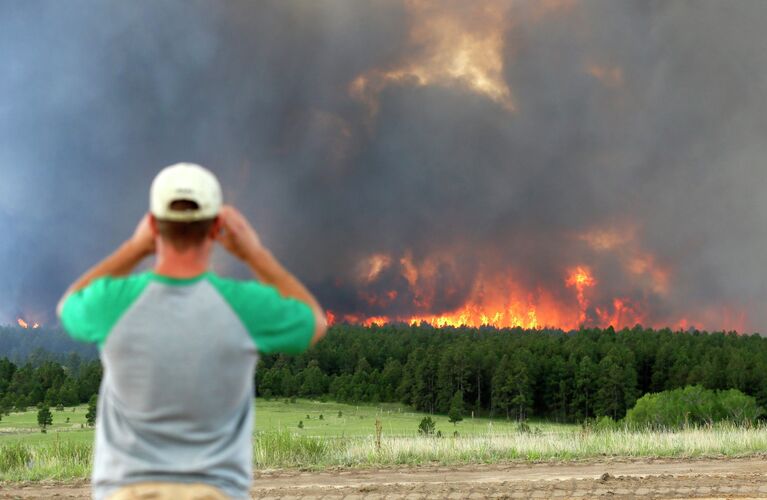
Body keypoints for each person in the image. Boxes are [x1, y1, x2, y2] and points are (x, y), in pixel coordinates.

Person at [57, 163, 327, 500]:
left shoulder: (113, 304)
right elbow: (314, 321)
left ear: (154, 225)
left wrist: (136, 247)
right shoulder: (245, 307)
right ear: (216, 227)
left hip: (126, 491)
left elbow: (68, 304)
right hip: (214, 492)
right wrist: (254, 254)